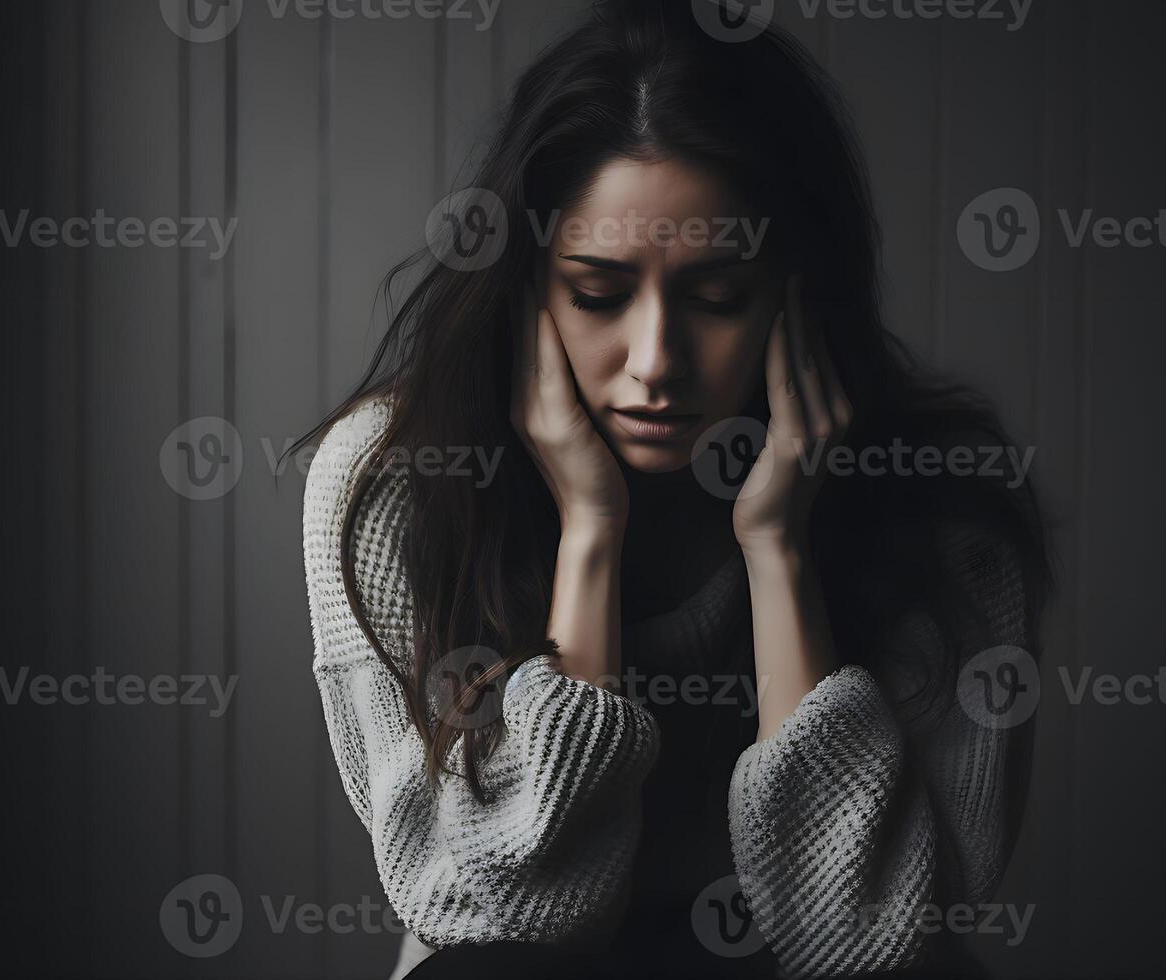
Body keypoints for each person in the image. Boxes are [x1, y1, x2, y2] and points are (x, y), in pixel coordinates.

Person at [300, 2, 1051, 976]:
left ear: (798, 288)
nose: (656, 362)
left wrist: (779, 548)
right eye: (600, 294)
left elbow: (873, 939)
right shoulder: (396, 484)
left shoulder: (947, 518)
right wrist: (591, 537)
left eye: (719, 296)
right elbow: (500, 915)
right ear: (529, 287)